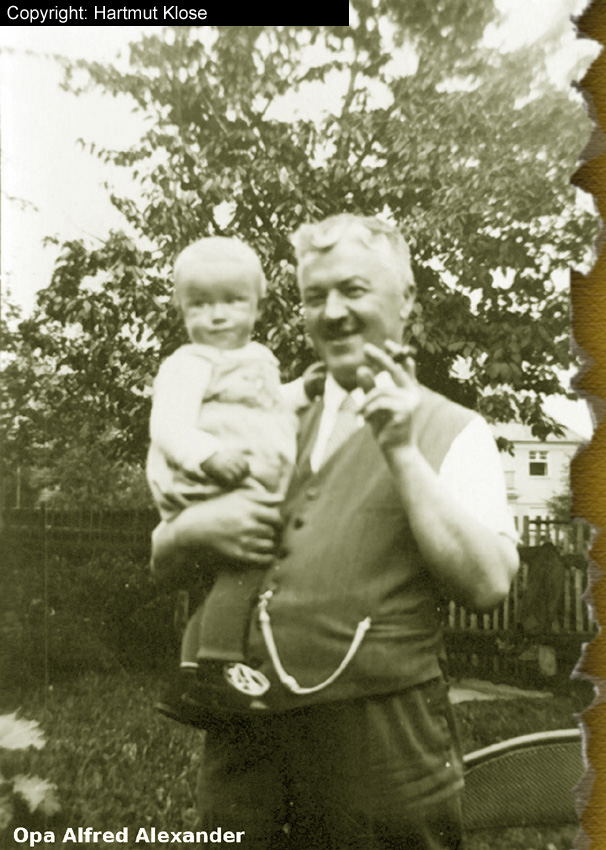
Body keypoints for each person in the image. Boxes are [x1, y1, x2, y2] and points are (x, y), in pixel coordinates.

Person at [152, 215, 520, 849]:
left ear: (406, 299)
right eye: (314, 296)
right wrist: (190, 532)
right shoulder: (262, 412)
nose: (332, 312)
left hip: (381, 751)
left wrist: (401, 452)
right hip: (245, 738)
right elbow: (165, 561)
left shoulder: (455, 430)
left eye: (353, 289)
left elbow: (488, 585)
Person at [147, 236, 304, 721]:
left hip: (232, 480)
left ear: (258, 306)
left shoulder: (255, 359)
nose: (216, 316)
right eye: (200, 303)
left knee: (222, 580)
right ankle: (218, 667)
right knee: (250, 558)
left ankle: (189, 675)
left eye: (232, 301)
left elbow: (268, 406)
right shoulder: (189, 363)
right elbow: (168, 425)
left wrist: (305, 389)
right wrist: (208, 454)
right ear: (181, 308)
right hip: (207, 481)